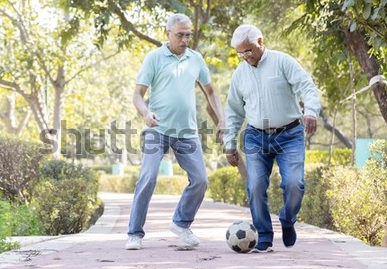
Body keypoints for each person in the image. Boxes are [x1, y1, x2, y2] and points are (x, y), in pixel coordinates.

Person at [126, 13, 225, 250]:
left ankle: (181, 223)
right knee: (148, 177)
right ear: (167, 33)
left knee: (200, 180)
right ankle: (134, 234)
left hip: (187, 132)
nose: (185, 40)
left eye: (188, 35)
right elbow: (137, 95)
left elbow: (210, 92)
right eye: (180, 35)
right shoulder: (154, 58)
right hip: (157, 129)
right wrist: (146, 114)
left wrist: (221, 120)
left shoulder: (196, 59)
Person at [223, 25, 321, 253]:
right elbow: (234, 112)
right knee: (255, 185)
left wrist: (311, 111)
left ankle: (287, 219)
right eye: (240, 53)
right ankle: (264, 235)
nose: (245, 56)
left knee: (294, 184)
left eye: (248, 50)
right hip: (256, 136)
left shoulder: (282, 62)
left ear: (260, 41)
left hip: (290, 135)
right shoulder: (239, 75)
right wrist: (230, 143)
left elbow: (307, 87)